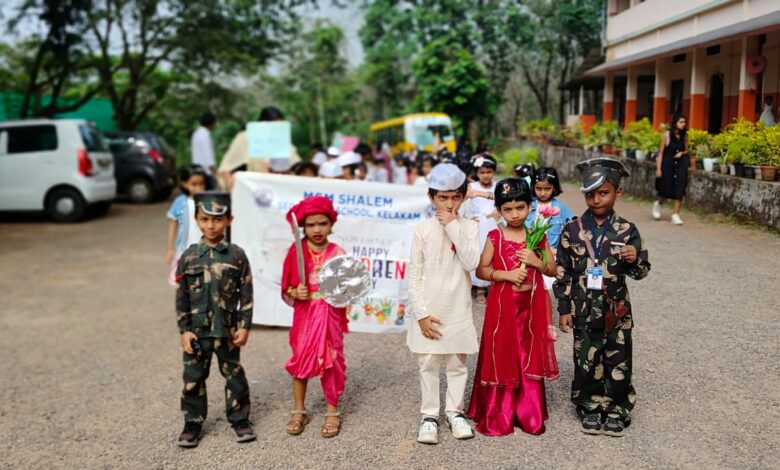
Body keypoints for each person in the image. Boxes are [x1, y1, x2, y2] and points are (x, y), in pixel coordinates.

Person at [554, 157, 651, 438]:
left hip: (616, 310)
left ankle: (617, 409)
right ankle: (590, 406)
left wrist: (634, 259)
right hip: (583, 309)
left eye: (603, 193)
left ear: (618, 192)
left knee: (618, 358)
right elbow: (563, 272)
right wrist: (564, 308)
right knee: (586, 358)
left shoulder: (627, 230)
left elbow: (641, 272)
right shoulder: (572, 230)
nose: (596, 200)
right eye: (590, 194)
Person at [468, 178, 559, 437]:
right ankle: (500, 411)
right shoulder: (495, 237)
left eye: (520, 207)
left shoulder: (537, 237)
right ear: (499, 210)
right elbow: (481, 270)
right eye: (507, 209)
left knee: (528, 352)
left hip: (530, 307)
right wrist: (505, 275)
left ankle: (527, 410)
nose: (515, 214)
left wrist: (537, 262)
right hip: (503, 307)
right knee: (502, 350)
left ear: (530, 207)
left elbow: (552, 270)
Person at [175, 191, 255, 447]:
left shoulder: (237, 256)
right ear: (197, 220)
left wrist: (244, 326)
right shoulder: (188, 257)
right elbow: (182, 297)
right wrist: (184, 331)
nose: (211, 225)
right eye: (204, 219)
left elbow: (246, 295)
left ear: (229, 220)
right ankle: (192, 422)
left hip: (227, 330)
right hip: (197, 332)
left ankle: (240, 419)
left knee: (234, 375)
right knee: (193, 377)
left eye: (217, 220)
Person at [407, 163, 479, 445]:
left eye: (455, 197)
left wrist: (452, 226)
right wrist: (421, 314)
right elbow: (414, 275)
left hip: (458, 308)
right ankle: (429, 417)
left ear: (463, 196)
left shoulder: (469, 227)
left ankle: (454, 412)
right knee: (428, 363)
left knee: (457, 364)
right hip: (430, 310)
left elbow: (470, 262)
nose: (449, 204)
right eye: (442, 197)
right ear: (431, 197)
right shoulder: (422, 230)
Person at [281, 196, 348, 438]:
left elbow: (348, 288)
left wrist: (337, 291)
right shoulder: (296, 252)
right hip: (305, 314)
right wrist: (294, 292)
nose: (317, 229)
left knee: (331, 359)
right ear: (303, 226)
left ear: (331, 224)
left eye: (322, 223)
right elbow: (287, 285)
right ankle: (299, 410)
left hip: (330, 315)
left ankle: (332, 410)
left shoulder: (338, 253)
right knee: (301, 356)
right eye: (310, 225)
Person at [218, 106, 301, 190]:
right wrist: (232, 190)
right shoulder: (245, 138)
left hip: (278, 190)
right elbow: (227, 169)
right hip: (250, 190)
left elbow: (296, 165)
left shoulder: (283, 142)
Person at [525, 167, 575, 289]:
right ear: (533, 187)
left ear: (554, 188)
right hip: (529, 255)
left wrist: (560, 250)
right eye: (538, 189)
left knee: (546, 288)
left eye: (547, 189)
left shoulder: (560, 208)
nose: (542, 193)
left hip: (550, 257)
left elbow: (575, 229)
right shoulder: (528, 206)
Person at [465, 154, 498, 304]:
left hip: (495, 223)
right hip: (478, 226)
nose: (486, 175)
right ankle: (479, 287)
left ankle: (493, 284)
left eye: (489, 172)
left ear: (494, 172)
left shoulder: (498, 186)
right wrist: (467, 218)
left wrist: (480, 194)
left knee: (494, 254)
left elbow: (501, 198)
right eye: (482, 172)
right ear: (477, 173)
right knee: (479, 253)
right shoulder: (471, 187)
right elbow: (462, 204)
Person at [165, 165, 207, 285]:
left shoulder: (207, 201)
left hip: (204, 249)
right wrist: (170, 249)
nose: (198, 188)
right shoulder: (180, 202)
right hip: (184, 249)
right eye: (194, 184)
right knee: (183, 281)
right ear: (184, 183)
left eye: (201, 184)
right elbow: (172, 225)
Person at [653, 114, 691, 225]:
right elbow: (660, 153)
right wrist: (658, 169)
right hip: (667, 165)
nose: (683, 124)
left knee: (680, 189)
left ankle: (675, 215)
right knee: (665, 190)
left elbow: (687, 150)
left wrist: (681, 153)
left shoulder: (685, 136)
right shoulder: (666, 135)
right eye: (681, 122)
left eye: (684, 122)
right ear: (675, 123)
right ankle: (658, 204)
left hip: (681, 165)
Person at [191, 113, 217, 188]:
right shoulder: (205, 135)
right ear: (211, 124)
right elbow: (208, 156)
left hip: (197, 170)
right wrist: (215, 172)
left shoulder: (196, 133)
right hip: (207, 172)